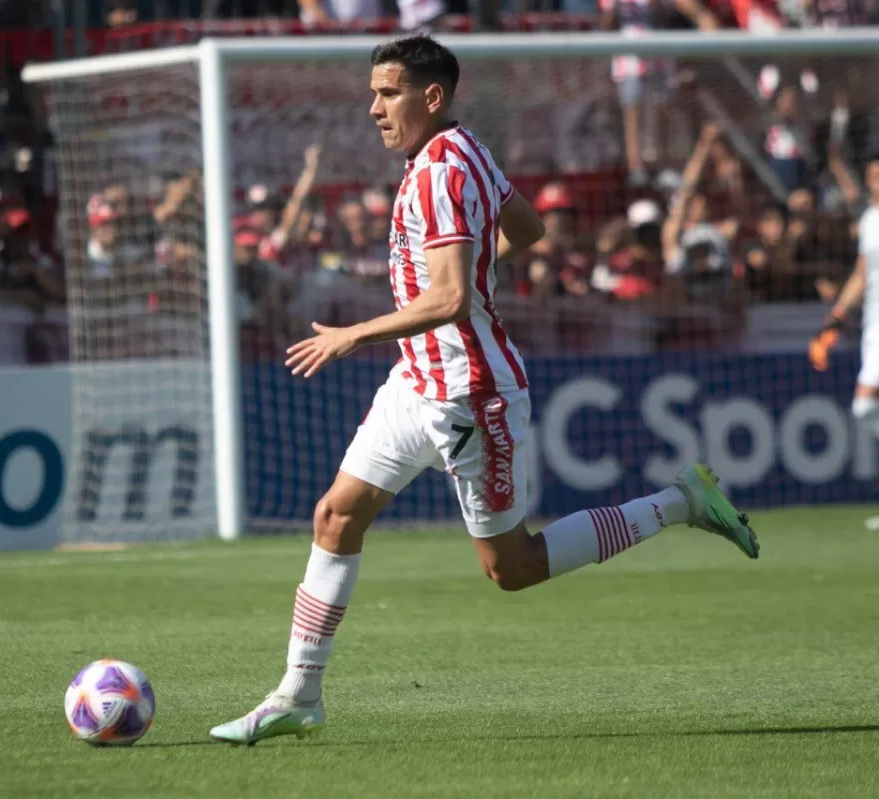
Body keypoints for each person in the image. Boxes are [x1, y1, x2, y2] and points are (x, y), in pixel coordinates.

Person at [209, 35, 761, 748]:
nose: (373, 106)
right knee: (335, 516)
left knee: (514, 568)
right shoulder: (463, 148)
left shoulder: (442, 171)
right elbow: (525, 229)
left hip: (471, 396)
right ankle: (298, 693)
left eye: (387, 93)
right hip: (417, 380)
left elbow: (448, 300)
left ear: (430, 96)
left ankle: (681, 500)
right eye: (373, 91)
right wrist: (470, 278)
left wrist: (354, 334)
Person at [809, 153, 879, 528]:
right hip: (874, 327)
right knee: (864, 409)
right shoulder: (869, 221)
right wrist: (835, 317)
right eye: (872, 176)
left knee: (865, 406)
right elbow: (863, 273)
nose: (876, 183)